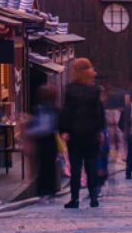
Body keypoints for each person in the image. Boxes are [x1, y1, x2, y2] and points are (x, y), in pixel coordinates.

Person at [59, 57, 106, 209]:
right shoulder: (95, 90)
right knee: (92, 165)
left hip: (75, 134)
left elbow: (67, 111)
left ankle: (74, 199)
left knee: (76, 167)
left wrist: (64, 130)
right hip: (91, 134)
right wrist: (100, 130)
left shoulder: (71, 89)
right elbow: (99, 112)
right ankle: (93, 197)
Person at [26, 85, 60, 201]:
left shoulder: (38, 109)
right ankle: (49, 191)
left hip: (43, 140)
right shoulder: (53, 109)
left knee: (42, 165)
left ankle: (43, 191)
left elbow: (42, 126)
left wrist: (30, 131)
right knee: (49, 166)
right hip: (50, 140)